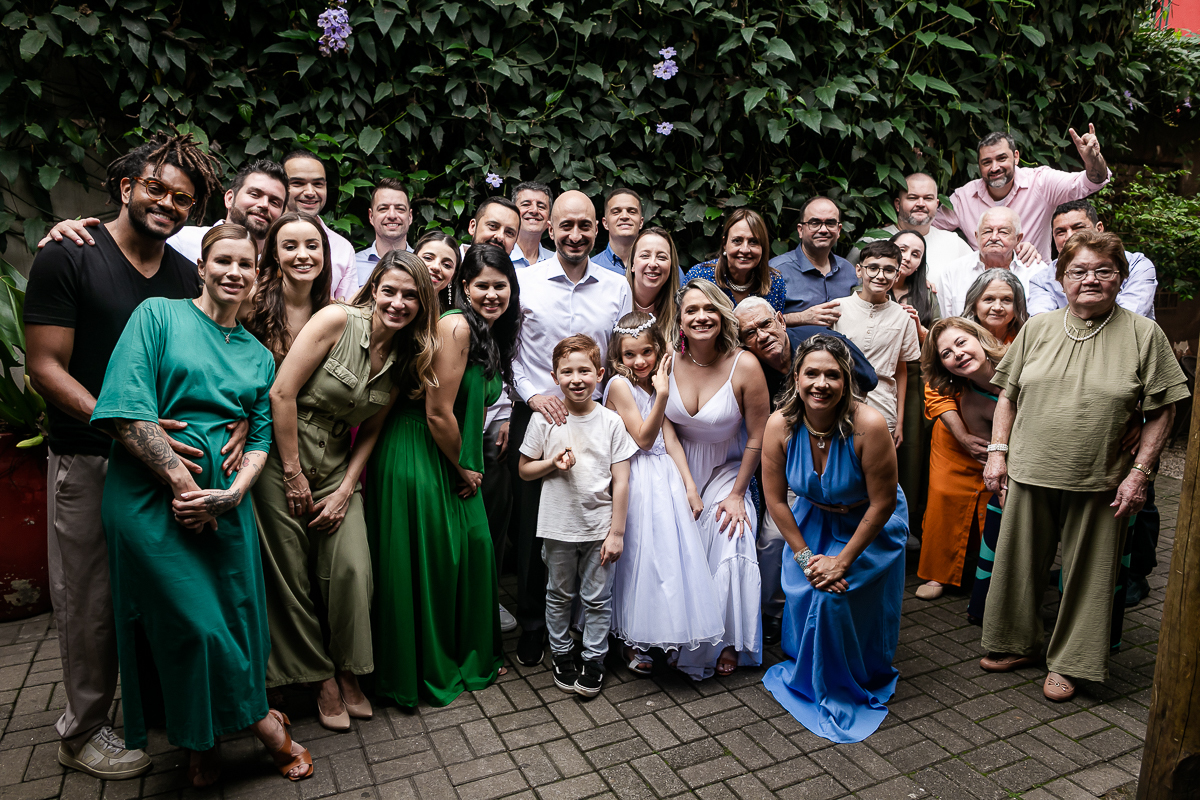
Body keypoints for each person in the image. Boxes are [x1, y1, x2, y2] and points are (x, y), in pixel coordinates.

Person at [23, 132, 229, 780]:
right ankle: (81, 731)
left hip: (159, 462)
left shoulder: (182, 276)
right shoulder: (72, 256)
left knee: (155, 592)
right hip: (89, 458)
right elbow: (44, 368)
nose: (167, 203)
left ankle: (154, 707)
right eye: (157, 189)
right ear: (126, 187)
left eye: (183, 198)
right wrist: (126, 421)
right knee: (87, 600)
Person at [90, 224, 312, 786]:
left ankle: (200, 743)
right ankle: (268, 728)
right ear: (202, 266)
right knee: (194, 627)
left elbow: (261, 437)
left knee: (234, 624)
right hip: (150, 502)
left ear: (259, 276)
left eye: (246, 264)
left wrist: (232, 494)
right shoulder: (158, 317)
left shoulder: (260, 356)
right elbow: (124, 408)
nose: (234, 272)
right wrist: (183, 488)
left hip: (224, 506)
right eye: (223, 261)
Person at [980, 229, 1188, 702]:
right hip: (1029, 471)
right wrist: (998, 453)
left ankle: (1071, 662)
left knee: (1089, 576)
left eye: (1103, 271)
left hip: (1101, 479)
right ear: (1062, 278)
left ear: (1120, 278)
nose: (1090, 279)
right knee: (1017, 565)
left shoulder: (1143, 333)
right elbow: (1008, 395)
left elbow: (1164, 410)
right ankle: (1017, 643)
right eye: (1078, 271)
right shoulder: (1038, 327)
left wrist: (1140, 473)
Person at [254, 250, 429, 730]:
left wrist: (347, 487)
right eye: (390, 290)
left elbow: (371, 428)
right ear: (374, 288)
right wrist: (290, 472)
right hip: (280, 456)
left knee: (352, 568)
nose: (397, 302)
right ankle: (321, 679)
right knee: (290, 576)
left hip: (335, 463)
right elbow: (281, 393)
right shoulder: (336, 319)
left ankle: (351, 671)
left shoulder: (404, 356)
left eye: (410, 295)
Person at [370, 246, 515, 706]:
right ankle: (423, 666)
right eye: (482, 285)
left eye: (500, 285)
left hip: (448, 452)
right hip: (420, 449)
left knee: (472, 550)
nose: (491, 294)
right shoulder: (455, 325)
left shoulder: (487, 332)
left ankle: (462, 653)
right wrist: (466, 467)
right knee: (432, 559)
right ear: (463, 288)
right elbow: (436, 412)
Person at [760, 334, 908, 743]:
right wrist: (806, 556)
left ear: (846, 381)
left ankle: (858, 674)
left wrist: (841, 561)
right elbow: (775, 500)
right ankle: (809, 663)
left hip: (870, 527)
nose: (820, 384)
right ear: (796, 376)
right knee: (810, 587)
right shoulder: (780, 424)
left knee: (832, 596)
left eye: (832, 374)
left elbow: (881, 505)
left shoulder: (869, 425)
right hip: (811, 522)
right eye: (812, 373)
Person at [508, 190, 631, 667]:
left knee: (591, 515)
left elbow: (619, 355)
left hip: (595, 417)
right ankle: (534, 626)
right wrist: (531, 395)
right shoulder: (527, 283)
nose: (575, 235)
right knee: (533, 527)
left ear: (595, 229)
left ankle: (586, 621)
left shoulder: (615, 285)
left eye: (584, 226)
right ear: (550, 228)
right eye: (566, 226)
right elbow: (512, 351)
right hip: (539, 412)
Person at [733, 296, 877, 645]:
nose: (762, 335)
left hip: (844, 450)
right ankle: (772, 613)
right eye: (750, 332)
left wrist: (831, 407)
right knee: (772, 539)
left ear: (781, 320)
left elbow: (868, 379)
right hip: (794, 468)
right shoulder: (752, 371)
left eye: (765, 324)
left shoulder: (824, 344)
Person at [604, 312, 725, 674]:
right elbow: (642, 438)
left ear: (658, 350)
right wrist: (663, 393)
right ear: (617, 358)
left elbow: (669, 438)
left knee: (668, 560)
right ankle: (629, 642)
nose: (639, 361)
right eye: (630, 355)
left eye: (646, 352)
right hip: (636, 478)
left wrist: (690, 486)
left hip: (666, 479)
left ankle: (666, 633)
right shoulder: (619, 387)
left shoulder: (657, 382)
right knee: (637, 559)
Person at [519, 334, 636, 695]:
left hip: (599, 528)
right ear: (555, 377)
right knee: (557, 594)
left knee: (598, 598)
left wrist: (616, 532)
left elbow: (622, 479)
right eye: (566, 371)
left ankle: (595, 657)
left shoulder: (611, 422)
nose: (576, 378)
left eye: (584, 370)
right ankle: (562, 652)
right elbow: (524, 470)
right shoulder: (545, 420)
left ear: (599, 374)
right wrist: (551, 464)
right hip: (557, 527)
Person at [664, 279, 769, 679]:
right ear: (681, 320)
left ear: (722, 314)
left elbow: (758, 434)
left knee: (731, 531)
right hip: (678, 465)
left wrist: (739, 493)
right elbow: (658, 419)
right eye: (692, 310)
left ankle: (726, 638)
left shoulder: (744, 364)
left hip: (729, 466)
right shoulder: (668, 360)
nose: (701, 316)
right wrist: (682, 483)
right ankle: (675, 630)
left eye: (709, 309)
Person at [915, 318, 1007, 607]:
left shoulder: (1017, 358)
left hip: (1012, 449)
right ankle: (938, 572)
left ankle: (998, 575)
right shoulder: (963, 389)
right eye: (946, 353)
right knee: (944, 496)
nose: (957, 353)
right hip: (960, 443)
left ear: (980, 338)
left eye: (962, 343)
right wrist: (966, 439)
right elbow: (983, 449)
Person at [37, 159, 288, 264]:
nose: (264, 205)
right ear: (230, 198)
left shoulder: (283, 266)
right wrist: (66, 232)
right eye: (255, 194)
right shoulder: (179, 240)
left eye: (275, 202)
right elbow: (126, 247)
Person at [934, 127, 1111, 262]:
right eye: (987, 162)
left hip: (1036, 286)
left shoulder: (1041, 182)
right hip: (986, 290)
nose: (994, 168)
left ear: (1016, 157)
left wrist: (1093, 159)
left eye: (1002, 159)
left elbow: (1090, 183)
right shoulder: (964, 198)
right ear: (979, 165)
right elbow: (928, 227)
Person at [833, 241, 921, 444]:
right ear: (859, 270)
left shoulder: (903, 316)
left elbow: (901, 370)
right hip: (839, 407)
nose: (880, 276)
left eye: (889, 270)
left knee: (878, 472)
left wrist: (899, 422)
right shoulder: (837, 309)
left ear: (897, 275)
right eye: (872, 268)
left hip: (883, 409)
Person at [888, 230, 940, 545]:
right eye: (902, 249)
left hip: (914, 379)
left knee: (911, 452)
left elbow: (941, 342)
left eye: (915, 254)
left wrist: (921, 329)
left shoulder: (926, 296)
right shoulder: (863, 289)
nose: (907, 257)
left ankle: (907, 527)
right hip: (876, 378)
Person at [1026, 200, 1158, 319]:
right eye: (1061, 232)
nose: (1070, 236)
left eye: (1078, 228)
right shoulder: (1042, 280)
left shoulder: (1136, 266)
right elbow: (1042, 323)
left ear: (1099, 229)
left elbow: (1130, 316)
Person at [243, 212, 333, 363]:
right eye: (290, 247)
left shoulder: (332, 311)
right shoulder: (251, 300)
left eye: (312, 246)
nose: (303, 255)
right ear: (275, 255)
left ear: (323, 251)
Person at [933, 207, 1037, 319]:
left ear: (1018, 238)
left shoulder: (1035, 271)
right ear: (976, 236)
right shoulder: (954, 272)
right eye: (987, 231)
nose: (994, 237)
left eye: (1003, 232)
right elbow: (946, 322)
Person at [770, 196, 856, 329]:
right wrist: (801, 317)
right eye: (814, 223)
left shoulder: (849, 271)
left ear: (839, 230)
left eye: (830, 223)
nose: (823, 230)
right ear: (800, 230)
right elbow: (757, 320)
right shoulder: (777, 270)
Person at [282, 151, 357, 300]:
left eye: (318, 184)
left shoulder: (342, 248)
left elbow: (349, 311)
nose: (310, 192)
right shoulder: (261, 236)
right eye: (298, 183)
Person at [684, 209, 787, 313]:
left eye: (753, 242)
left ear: (763, 247)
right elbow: (682, 322)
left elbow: (775, 326)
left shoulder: (774, 283)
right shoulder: (699, 276)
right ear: (724, 244)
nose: (745, 250)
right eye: (737, 241)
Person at [355, 178, 415, 287]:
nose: (392, 215)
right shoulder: (353, 265)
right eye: (383, 208)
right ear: (371, 216)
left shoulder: (423, 264)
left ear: (410, 217)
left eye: (400, 209)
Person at [627, 226, 682, 342]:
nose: (652, 264)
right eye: (645, 256)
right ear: (632, 264)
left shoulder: (681, 310)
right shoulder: (614, 300)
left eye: (661, 257)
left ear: (671, 267)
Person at [962, 268, 1028, 344]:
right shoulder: (960, 340)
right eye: (989, 299)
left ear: (1018, 306)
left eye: (1007, 300)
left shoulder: (1027, 340)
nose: (997, 307)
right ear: (973, 306)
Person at [593, 188, 645, 274]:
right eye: (616, 212)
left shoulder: (658, 268)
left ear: (641, 222)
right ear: (605, 223)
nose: (624, 216)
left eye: (631, 212)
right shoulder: (591, 268)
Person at [414, 231, 461, 313]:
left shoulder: (455, 319)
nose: (436, 267)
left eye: (446, 265)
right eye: (428, 258)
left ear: (453, 276)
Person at [511, 181, 555, 267]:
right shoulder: (497, 257)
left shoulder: (556, 263)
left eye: (541, 206)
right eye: (526, 204)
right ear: (512, 213)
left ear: (549, 218)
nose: (534, 210)